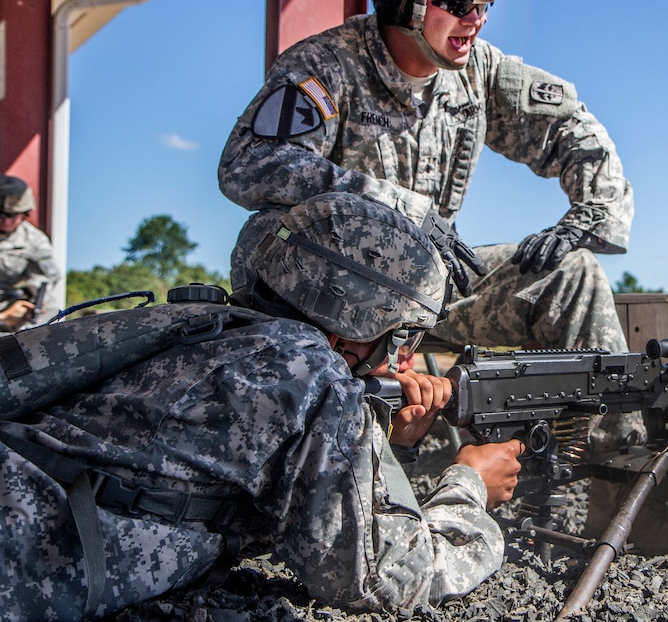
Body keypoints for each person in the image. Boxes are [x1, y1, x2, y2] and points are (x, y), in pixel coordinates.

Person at [0, 193, 524, 620]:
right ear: (359, 318)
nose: (405, 357)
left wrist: (392, 450)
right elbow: (379, 576)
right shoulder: (308, 370)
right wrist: (469, 485)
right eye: (403, 335)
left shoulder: (207, 326)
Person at [219, 0, 634, 355]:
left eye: (484, 4)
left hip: (431, 290)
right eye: (457, 3)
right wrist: (399, 206)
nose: (475, 20)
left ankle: (616, 429)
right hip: (333, 299)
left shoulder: (481, 72)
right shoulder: (327, 65)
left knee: (571, 275)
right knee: (269, 231)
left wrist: (584, 221)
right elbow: (249, 164)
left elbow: (575, 135)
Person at [0, 175, 61, 331]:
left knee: (50, 308)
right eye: (1, 214)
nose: (6, 222)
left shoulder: (34, 241)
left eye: (13, 215)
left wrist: (32, 303)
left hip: (12, 303)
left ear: (24, 213)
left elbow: (45, 278)